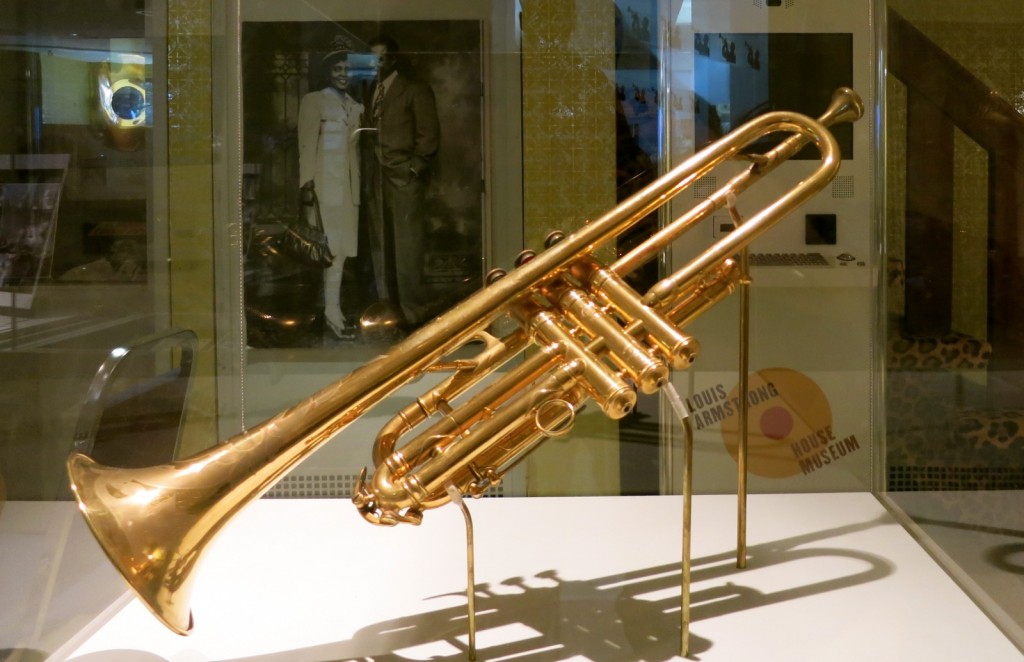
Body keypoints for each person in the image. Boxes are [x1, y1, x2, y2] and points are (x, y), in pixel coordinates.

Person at [360, 33, 440, 331]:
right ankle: (387, 311)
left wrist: (414, 170)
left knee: (407, 246)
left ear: (392, 59)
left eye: (380, 58)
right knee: (381, 245)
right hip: (375, 179)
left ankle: (413, 315)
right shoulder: (370, 90)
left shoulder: (414, 90)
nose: (375, 64)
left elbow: (429, 136)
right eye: (371, 59)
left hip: (403, 177)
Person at [297, 42, 363, 340]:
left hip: (349, 191)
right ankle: (330, 315)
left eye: (348, 70)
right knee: (328, 252)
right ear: (328, 73)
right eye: (337, 69)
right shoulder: (314, 101)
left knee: (342, 253)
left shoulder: (355, 105)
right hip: (325, 188)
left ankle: (330, 311)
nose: (342, 74)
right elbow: (306, 144)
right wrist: (307, 185)